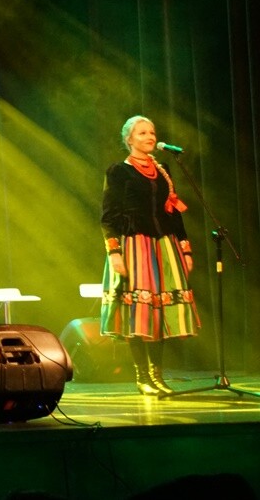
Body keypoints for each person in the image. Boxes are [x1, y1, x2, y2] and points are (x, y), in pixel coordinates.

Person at [100, 115, 199, 396]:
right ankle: (142, 377)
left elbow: (173, 212)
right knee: (138, 312)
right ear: (129, 139)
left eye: (152, 132)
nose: (150, 137)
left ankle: (157, 375)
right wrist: (114, 252)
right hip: (134, 245)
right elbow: (108, 214)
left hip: (164, 245)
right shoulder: (119, 171)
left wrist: (185, 247)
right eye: (142, 133)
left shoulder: (163, 170)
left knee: (159, 312)